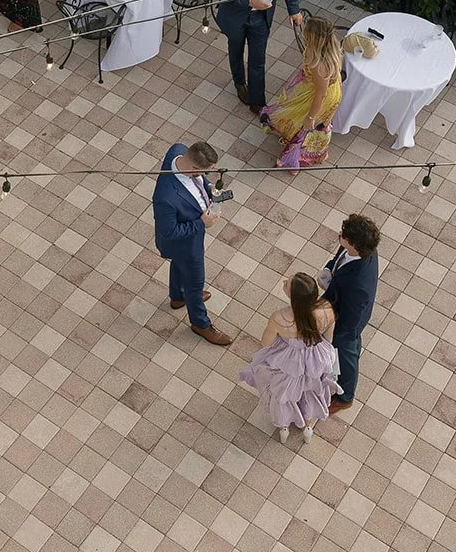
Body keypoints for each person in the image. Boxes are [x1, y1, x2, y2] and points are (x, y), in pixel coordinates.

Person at [238, 273, 337, 444]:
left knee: (282, 394)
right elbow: (329, 337)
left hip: (289, 360)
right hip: (315, 356)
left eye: (287, 285)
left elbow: (266, 342)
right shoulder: (326, 309)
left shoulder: (280, 317)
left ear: (294, 297)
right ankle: (308, 428)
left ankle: (284, 428)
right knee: (310, 391)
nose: (284, 282)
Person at [214, 0, 303, 113]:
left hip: (261, 18)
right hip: (236, 16)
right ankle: (239, 82)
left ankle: (257, 102)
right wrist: (249, 2)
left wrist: (294, 10)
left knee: (258, 59)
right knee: (236, 50)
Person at [151, 142, 231, 346]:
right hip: (185, 245)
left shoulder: (178, 151)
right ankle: (201, 324)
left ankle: (178, 297)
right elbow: (169, 231)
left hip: (185, 245)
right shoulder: (165, 197)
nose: (207, 175)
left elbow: (201, 182)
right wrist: (201, 223)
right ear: (194, 168)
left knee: (178, 266)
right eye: (205, 172)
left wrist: (208, 187)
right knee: (195, 284)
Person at [259, 16, 344, 172]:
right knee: (301, 119)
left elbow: (321, 93)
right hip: (325, 90)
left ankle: (297, 156)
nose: (303, 34)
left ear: (313, 38)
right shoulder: (331, 46)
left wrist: (310, 117)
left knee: (303, 125)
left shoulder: (319, 65)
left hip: (318, 95)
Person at [319, 213, 380, 414]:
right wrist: (329, 270)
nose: (340, 236)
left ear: (353, 243)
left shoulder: (359, 284)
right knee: (347, 350)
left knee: (346, 353)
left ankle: (345, 397)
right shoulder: (357, 248)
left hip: (345, 322)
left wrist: (337, 333)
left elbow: (352, 318)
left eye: (343, 235)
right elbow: (339, 259)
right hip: (337, 300)